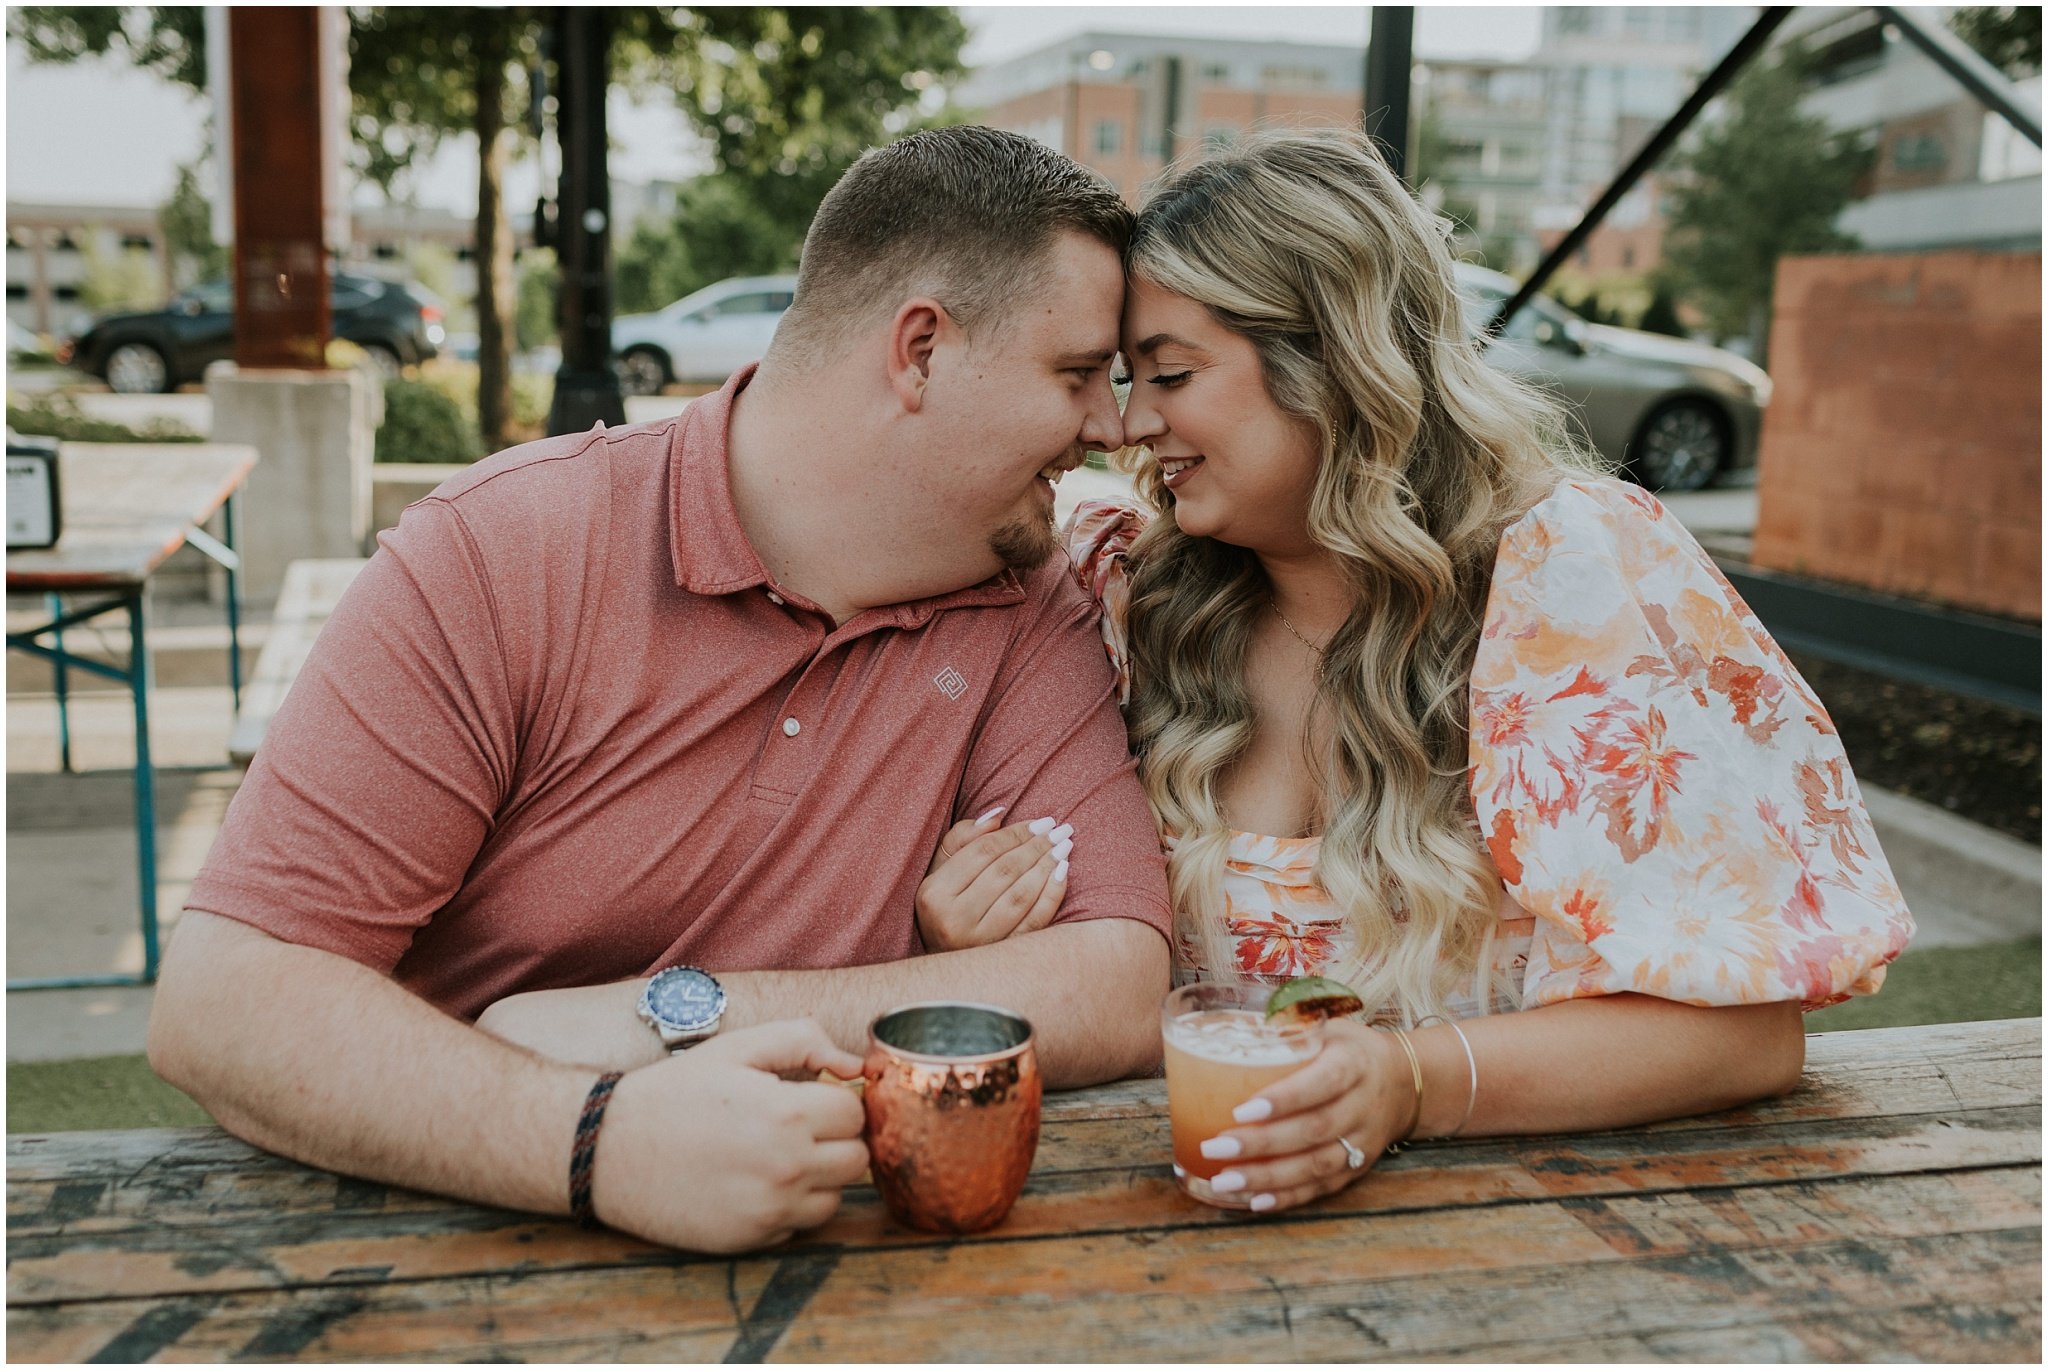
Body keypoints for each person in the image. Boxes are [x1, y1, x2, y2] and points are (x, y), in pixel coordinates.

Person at [147, 126, 1174, 1255]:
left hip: (841, 1277)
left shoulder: (1026, 593)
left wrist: (661, 1017)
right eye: (1077, 374)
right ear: (920, 349)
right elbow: (222, 1000)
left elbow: (1118, 976)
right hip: (457, 1244)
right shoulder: (502, 553)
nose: (1112, 425)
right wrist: (602, 1141)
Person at [924, 128, 1914, 1216]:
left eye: (1169, 372)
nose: (1127, 421)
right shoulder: (1127, 593)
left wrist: (1407, 1083)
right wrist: (977, 935)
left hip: (1499, 1245)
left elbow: (1741, 1035)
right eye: (1122, 377)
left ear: (1334, 358)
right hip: (1176, 1233)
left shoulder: (1571, 583)